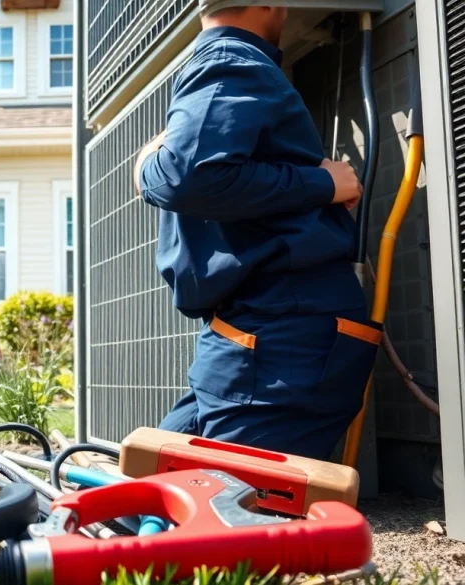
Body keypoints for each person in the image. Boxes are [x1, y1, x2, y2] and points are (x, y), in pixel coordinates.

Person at [133, 4, 382, 460]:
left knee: (202, 504)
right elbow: (186, 177)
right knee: (170, 497)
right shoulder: (231, 59)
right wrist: (321, 183)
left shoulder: (225, 60)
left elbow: (181, 175)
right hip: (265, 336)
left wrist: (148, 163)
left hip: (274, 333)